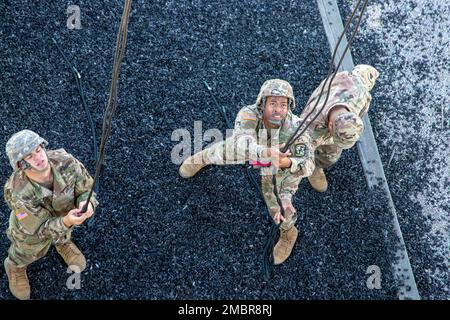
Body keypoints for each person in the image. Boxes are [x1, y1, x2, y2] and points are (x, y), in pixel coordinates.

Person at [179, 79, 315, 265]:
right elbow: (242, 140)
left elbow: (307, 164)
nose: (278, 109)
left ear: (289, 106)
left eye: (283, 104)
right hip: (254, 151)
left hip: (279, 166)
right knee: (222, 150)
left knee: (283, 209)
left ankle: (288, 233)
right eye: (273, 103)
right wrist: (263, 152)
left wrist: (286, 162)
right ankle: (202, 159)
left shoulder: (297, 128)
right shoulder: (249, 113)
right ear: (262, 103)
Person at [3, 129, 98, 300]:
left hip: (63, 217)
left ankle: (62, 243)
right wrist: (67, 221)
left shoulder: (66, 161)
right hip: (31, 231)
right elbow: (40, 229)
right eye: (30, 156)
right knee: (26, 250)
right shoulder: (17, 192)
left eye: (38, 150)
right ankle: (15, 266)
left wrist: (87, 201)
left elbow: (85, 187)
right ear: (20, 165)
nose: (39, 157)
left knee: (63, 233)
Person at [302, 64, 380, 192]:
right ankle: (314, 167)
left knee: (333, 151)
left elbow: (363, 79)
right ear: (330, 126)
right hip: (314, 127)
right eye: (337, 137)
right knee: (328, 155)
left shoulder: (360, 93)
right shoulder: (312, 124)